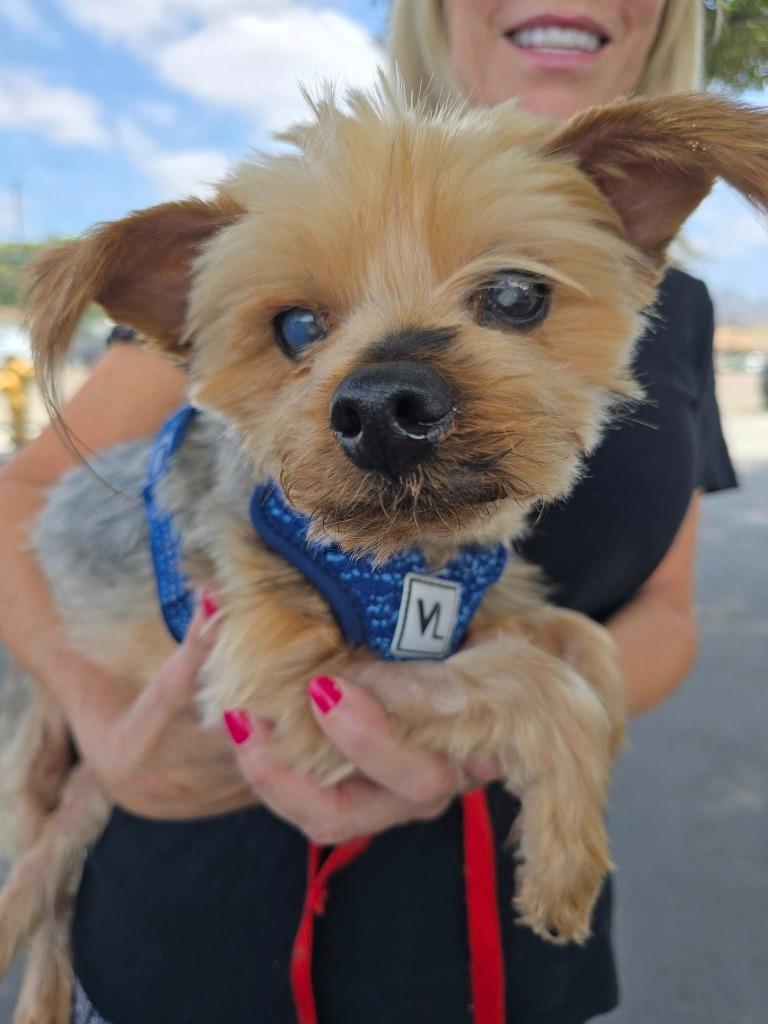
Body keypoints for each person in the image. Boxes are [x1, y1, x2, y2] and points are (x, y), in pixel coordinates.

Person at [0, 2, 737, 1022]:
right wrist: (98, 718)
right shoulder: (265, 231)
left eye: (514, 296)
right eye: (302, 328)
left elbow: (668, 608)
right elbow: (22, 495)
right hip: (196, 954)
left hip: (508, 968)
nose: (387, 394)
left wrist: (548, 703)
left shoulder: (684, 313)